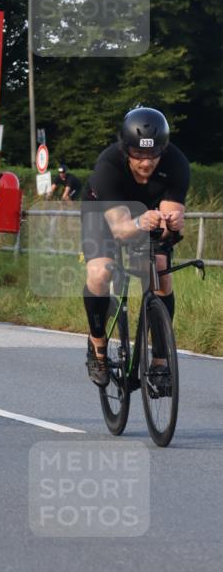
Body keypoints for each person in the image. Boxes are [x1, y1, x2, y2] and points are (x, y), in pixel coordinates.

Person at [80, 106, 189, 387]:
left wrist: (172, 223)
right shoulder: (108, 166)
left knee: (159, 270)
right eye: (138, 155)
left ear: (163, 150)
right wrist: (142, 222)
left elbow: (169, 222)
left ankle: (160, 361)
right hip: (104, 216)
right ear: (126, 149)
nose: (146, 163)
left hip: (144, 216)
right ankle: (97, 345)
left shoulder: (176, 163)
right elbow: (120, 229)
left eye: (153, 155)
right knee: (100, 273)